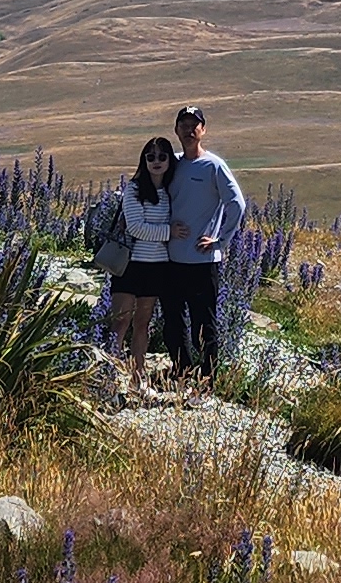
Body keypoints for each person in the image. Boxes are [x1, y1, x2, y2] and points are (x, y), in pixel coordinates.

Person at [156, 103, 248, 390]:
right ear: (176, 130)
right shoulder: (173, 164)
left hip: (203, 262)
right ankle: (182, 373)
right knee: (172, 322)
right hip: (170, 259)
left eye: (194, 124)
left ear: (203, 130)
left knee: (203, 324)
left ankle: (207, 381)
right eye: (183, 124)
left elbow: (237, 204)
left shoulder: (214, 166)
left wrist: (220, 240)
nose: (188, 129)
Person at [102, 135, 178, 397]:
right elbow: (135, 228)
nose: (156, 162)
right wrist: (169, 232)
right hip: (131, 264)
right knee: (120, 322)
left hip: (157, 266)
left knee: (143, 324)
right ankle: (107, 379)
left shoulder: (171, 191)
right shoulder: (133, 190)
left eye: (162, 156)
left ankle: (137, 378)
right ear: (143, 161)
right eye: (150, 156)